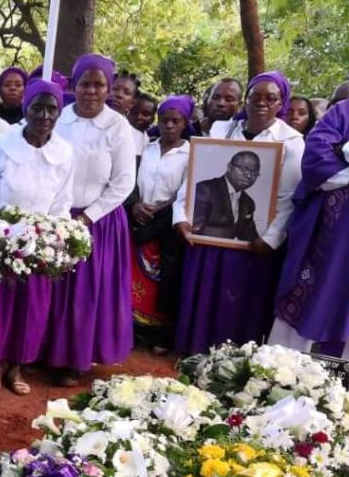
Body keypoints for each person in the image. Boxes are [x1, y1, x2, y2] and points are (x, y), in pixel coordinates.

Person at [174, 70, 304, 354]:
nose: (262, 103)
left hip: (254, 244)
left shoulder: (292, 141)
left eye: (271, 98)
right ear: (246, 99)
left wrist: (270, 239)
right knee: (204, 297)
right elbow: (195, 175)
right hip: (208, 237)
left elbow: (287, 198)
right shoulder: (221, 130)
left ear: (281, 102)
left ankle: (232, 361)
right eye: (256, 96)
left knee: (239, 304)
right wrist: (181, 217)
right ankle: (194, 354)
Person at [269, 92, 349, 390]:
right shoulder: (346, 110)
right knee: (313, 293)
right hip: (328, 234)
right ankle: (290, 378)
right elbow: (317, 153)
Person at [43, 53, 136, 386]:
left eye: (99, 85)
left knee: (85, 292)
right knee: (53, 288)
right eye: (85, 84)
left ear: (108, 88)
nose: (91, 91)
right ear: (74, 85)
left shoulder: (117, 126)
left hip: (99, 220)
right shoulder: (59, 119)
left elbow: (124, 181)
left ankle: (76, 360)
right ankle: (46, 352)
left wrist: (87, 216)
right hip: (58, 216)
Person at [0, 78, 74, 394]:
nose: (44, 116)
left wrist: (54, 239)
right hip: (1, 239)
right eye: (37, 108)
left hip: (40, 243)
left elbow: (62, 203)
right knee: (0, 308)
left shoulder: (65, 153)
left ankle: (16, 367)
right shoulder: (1, 146)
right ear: (25, 108)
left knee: (31, 310)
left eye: (52, 109)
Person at [128, 95, 191, 353]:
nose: (169, 126)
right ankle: (134, 330)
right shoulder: (147, 148)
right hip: (140, 220)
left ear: (185, 123)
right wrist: (136, 204)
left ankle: (161, 336)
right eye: (164, 120)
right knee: (137, 278)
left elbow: (186, 191)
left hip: (167, 224)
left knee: (165, 278)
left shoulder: (191, 153)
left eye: (175, 121)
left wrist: (161, 209)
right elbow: (131, 179)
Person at [190, 151, 262, 242]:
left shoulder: (248, 202)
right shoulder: (206, 190)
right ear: (229, 167)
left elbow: (249, 236)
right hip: (202, 248)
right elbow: (195, 230)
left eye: (254, 173)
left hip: (227, 250)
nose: (249, 175)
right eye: (244, 169)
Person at [128, 91, 156, 157]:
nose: (139, 117)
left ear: (152, 119)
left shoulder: (146, 138)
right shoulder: (121, 133)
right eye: (135, 112)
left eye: (145, 114)